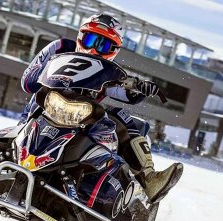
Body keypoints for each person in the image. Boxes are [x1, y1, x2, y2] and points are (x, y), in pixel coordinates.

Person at [19, 13, 183, 204]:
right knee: (19, 123)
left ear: (113, 50)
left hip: (79, 123)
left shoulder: (107, 72)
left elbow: (123, 94)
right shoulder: (61, 48)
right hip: (43, 111)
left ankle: (148, 178)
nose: (94, 49)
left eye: (103, 45)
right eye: (90, 39)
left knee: (120, 115)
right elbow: (28, 82)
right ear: (80, 36)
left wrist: (139, 88)